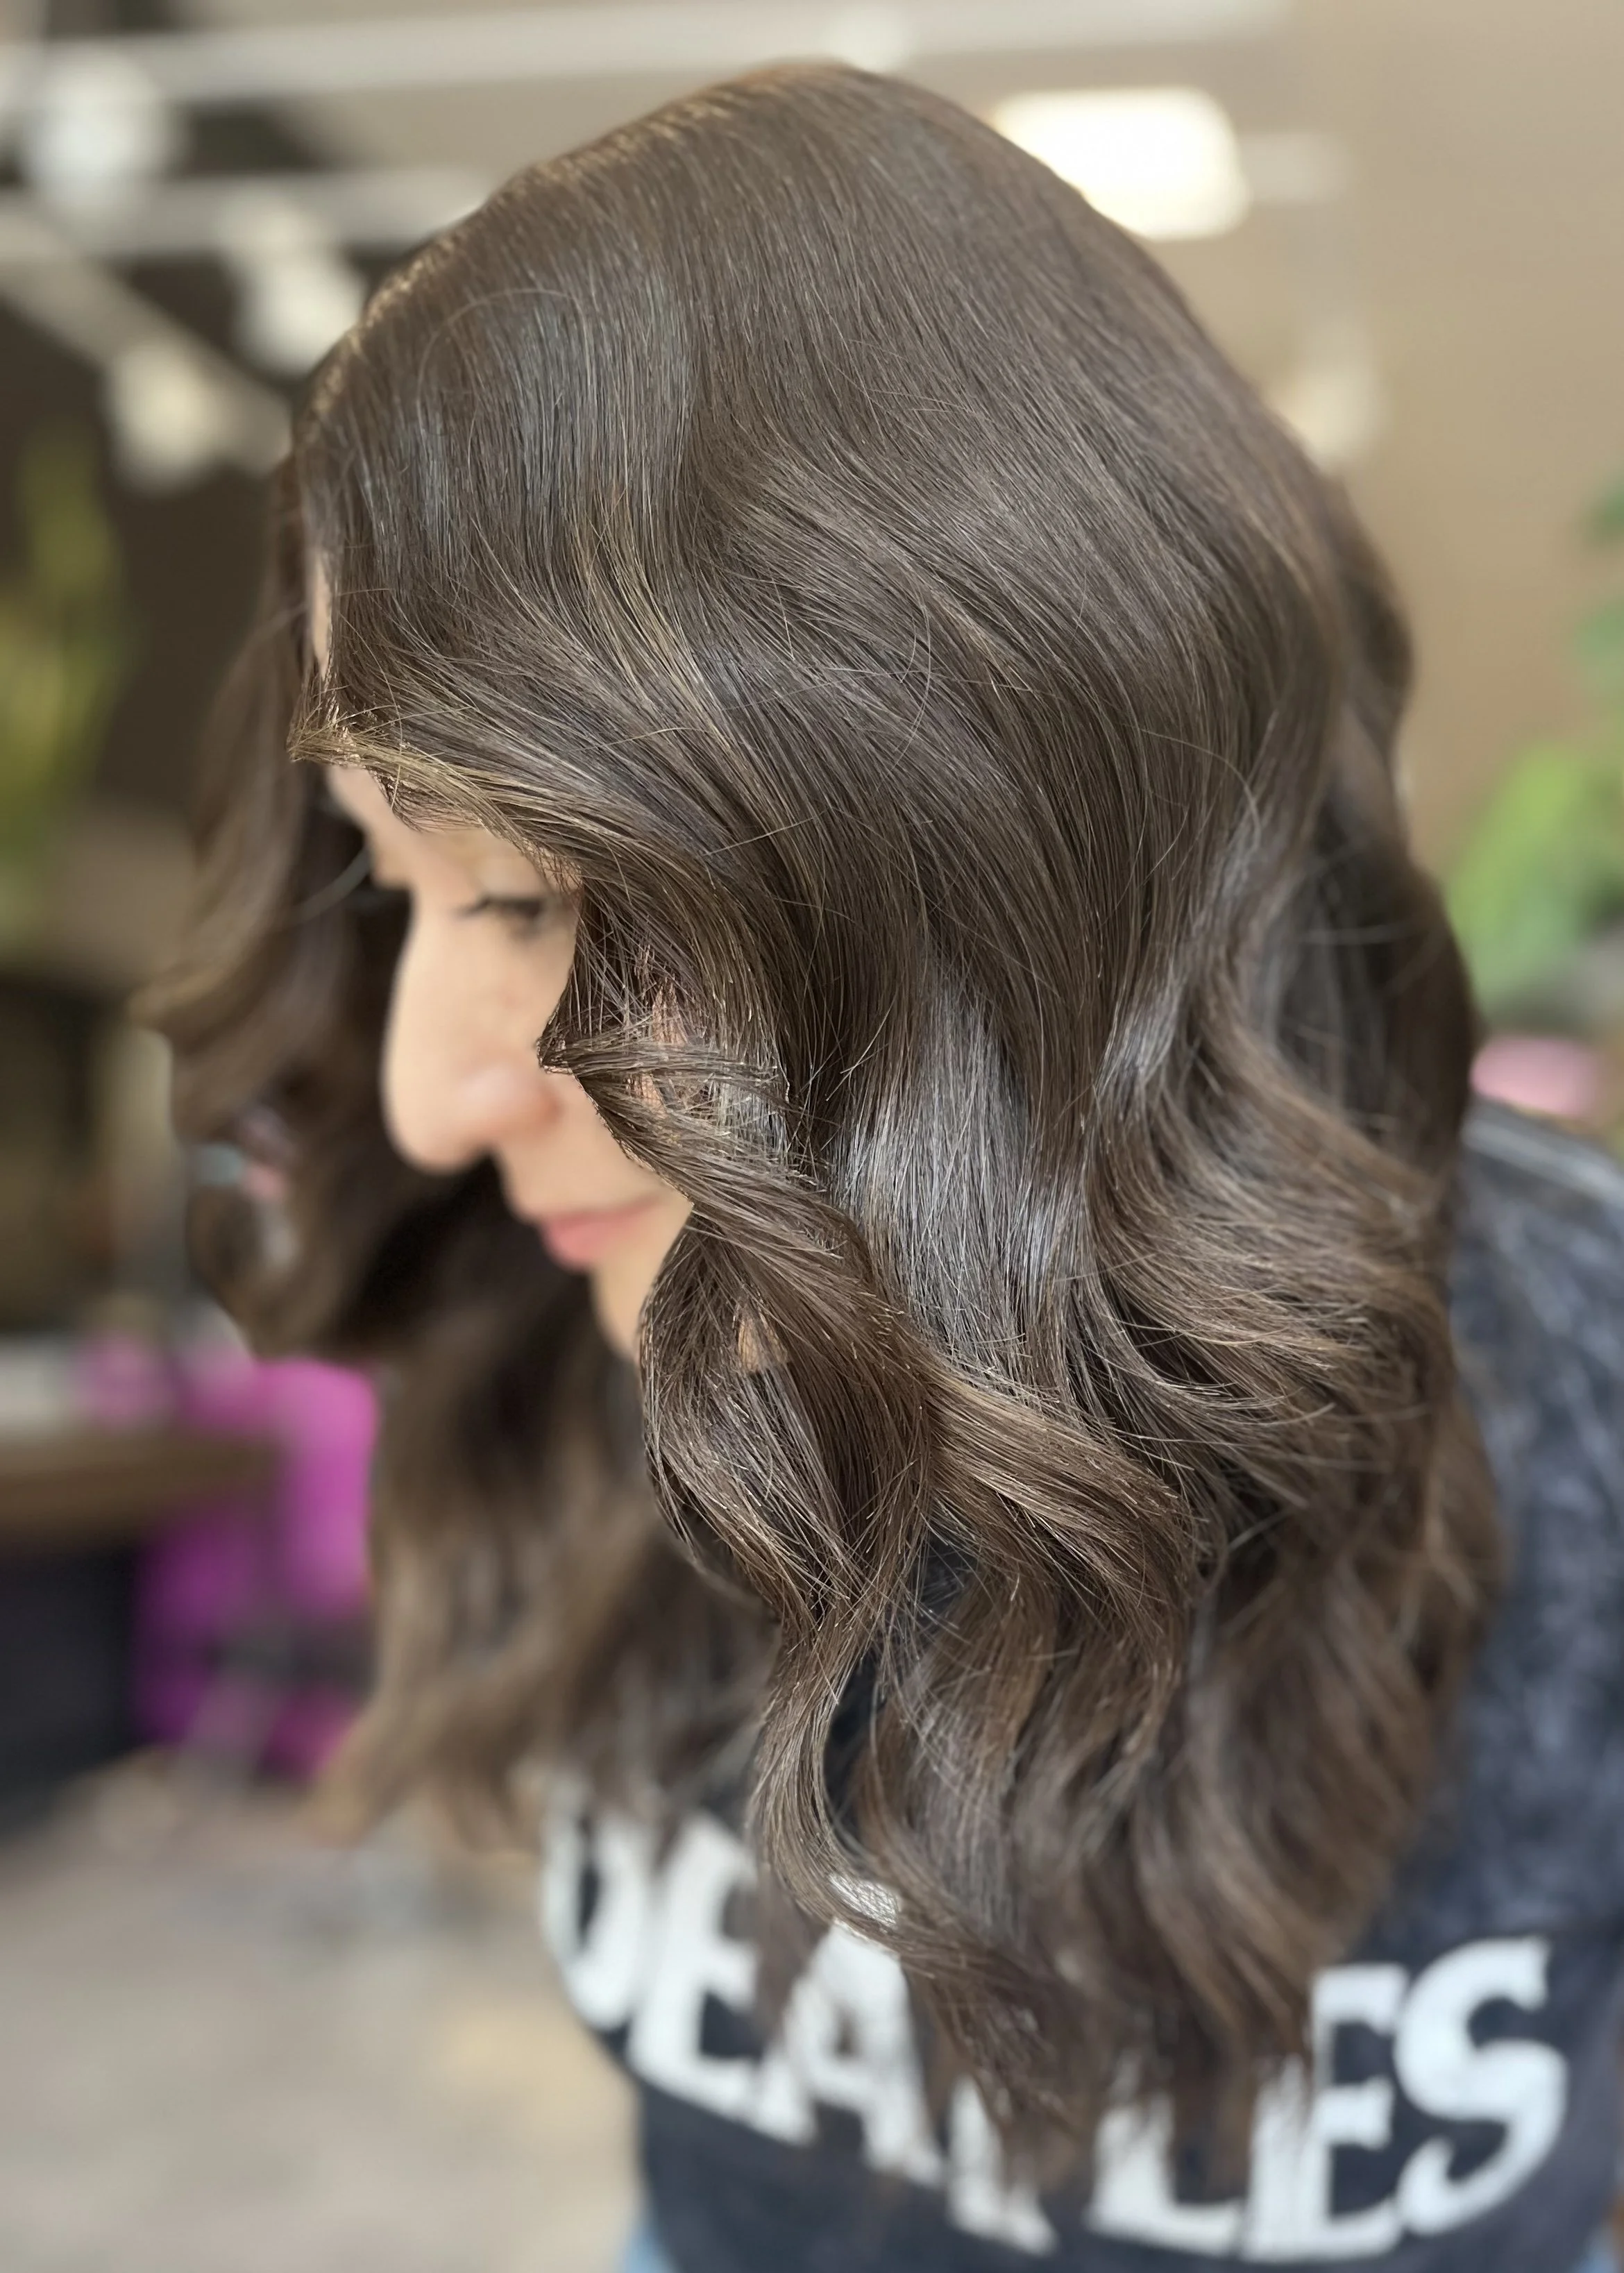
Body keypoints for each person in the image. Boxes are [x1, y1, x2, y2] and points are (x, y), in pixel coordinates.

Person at [147, 62, 1624, 2273]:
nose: (437, 1096)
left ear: (996, 863)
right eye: (395, 891)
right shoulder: (580, 1321)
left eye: (542, 901)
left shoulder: (1581, 1427)